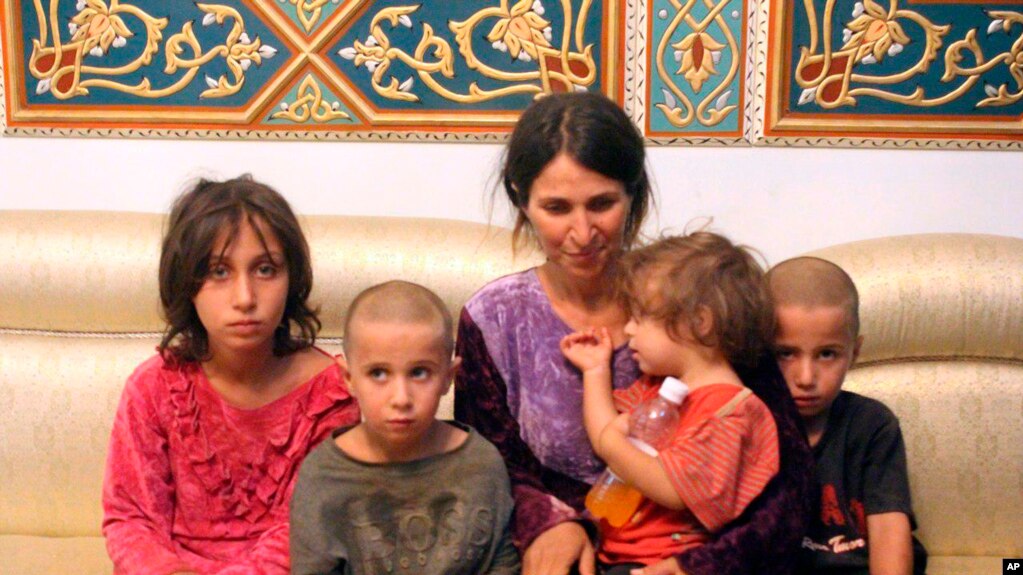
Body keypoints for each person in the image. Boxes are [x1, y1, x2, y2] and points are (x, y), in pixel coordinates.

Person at [455, 91, 814, 575]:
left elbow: (790, 486)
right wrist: (548, 522)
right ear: (522, 200)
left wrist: (695, 566)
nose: (583, 233)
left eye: (602, 204)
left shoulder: (697, 298)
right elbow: (486, 466)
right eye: (557, 208)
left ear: (633, 194)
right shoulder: (493, 319)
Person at [102, 176, 360, 574]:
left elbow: (309, 530)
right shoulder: (154, 386)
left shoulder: (332, 394)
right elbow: (130, 517)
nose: (245, 298)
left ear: (292, 278)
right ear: (186, 283)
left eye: (265, 269)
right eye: (219, 272)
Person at [560, 232, 780, 573]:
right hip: (613, 552)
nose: (628, 329)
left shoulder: (732, 411)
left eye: (640, 317)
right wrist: (595, 371)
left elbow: (672, 488)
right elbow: (605, 433)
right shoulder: (656, 387)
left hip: (663, 563)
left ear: (699, 323)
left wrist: (613, 443)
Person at [289, 280, 520, 575]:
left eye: (419, 373)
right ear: (348, 378)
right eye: (378, 373)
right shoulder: (324, 476)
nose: (401, 398)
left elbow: (503, 565)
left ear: (449, 377)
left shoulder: (481, 464)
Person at [767, 257, 927, 575]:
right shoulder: (744, 421)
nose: (806, 377)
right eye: (785, 353)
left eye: (827, 354)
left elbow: (888, 528)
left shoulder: (872, 425)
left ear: (854, 352)